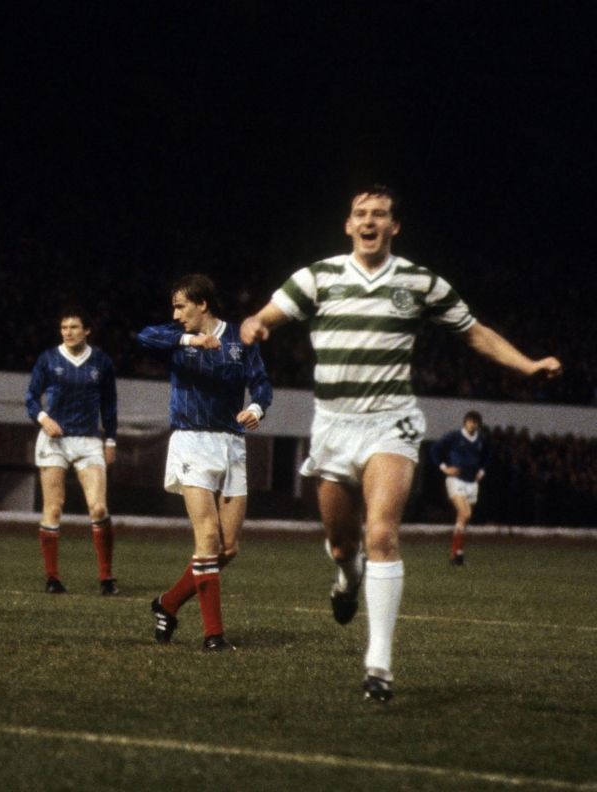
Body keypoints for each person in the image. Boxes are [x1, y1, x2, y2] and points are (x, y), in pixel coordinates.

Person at [240, 184, 562, 700]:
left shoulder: (420, 282)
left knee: (383, 533)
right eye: (361, 213)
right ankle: (348, 579)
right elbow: (266, 316)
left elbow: (474, 331)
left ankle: (379, 667)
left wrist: (526, 365)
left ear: (394, 226)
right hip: (333, 426)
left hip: (391, 424)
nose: (369, 221)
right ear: (348, 225)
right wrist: (256, 324)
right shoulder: (318, 277)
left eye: (380, 214)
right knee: (343, 545)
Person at [139, 274, 272, 651]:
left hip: (232, 444)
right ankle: (214, 636)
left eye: (181, 306)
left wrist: (256, 408)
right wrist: (190, 340)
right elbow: (145, 336)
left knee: (227, 548)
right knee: (208, 537)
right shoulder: (176, 336)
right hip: (191, 441)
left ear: (202, 304)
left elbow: (261, 384)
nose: (175, 314)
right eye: (174, 307)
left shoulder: (239, 340)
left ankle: (168, 604)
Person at [25, 307, 118, 595]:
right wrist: (44, 419)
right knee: (53, 507)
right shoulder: (48, 359)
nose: (68, 332)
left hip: (89, 440)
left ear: (87, 330)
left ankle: (106, 578)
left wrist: (111, 440)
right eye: (64, 327)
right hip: (54, 441)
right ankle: (52, 579)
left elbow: (109, 404)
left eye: (74, 327)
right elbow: (31, 398)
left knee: (98, 507)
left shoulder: (101, 361)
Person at [430, 410, 490, 566]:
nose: (472, 425)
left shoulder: (481, 439)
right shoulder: (454, 436)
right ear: (465, 422)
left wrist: (482, 471)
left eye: (475, 422)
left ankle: (457, 554)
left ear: (478, 424)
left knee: (463, 519)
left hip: (472, 483)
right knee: (465, 513)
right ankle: (456, 553)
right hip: (456, 480)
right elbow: (435, 449)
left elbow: (487, 456)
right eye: (470, 421)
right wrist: (444, 468)